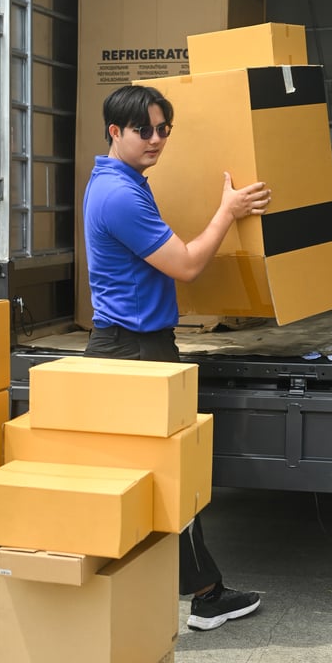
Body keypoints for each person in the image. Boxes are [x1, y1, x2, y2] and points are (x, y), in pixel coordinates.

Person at [83, 83, 271, 631]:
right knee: (170, 477)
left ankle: (193, 592)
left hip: (130, 346)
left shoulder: (120, 181)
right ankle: (206, 597)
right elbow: (186, 265)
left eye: (165, 129)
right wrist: (228, 211)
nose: (158, 139)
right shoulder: (120, 195)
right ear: (115, 131)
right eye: (146, 129)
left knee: (151, 478)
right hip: (136, 353)